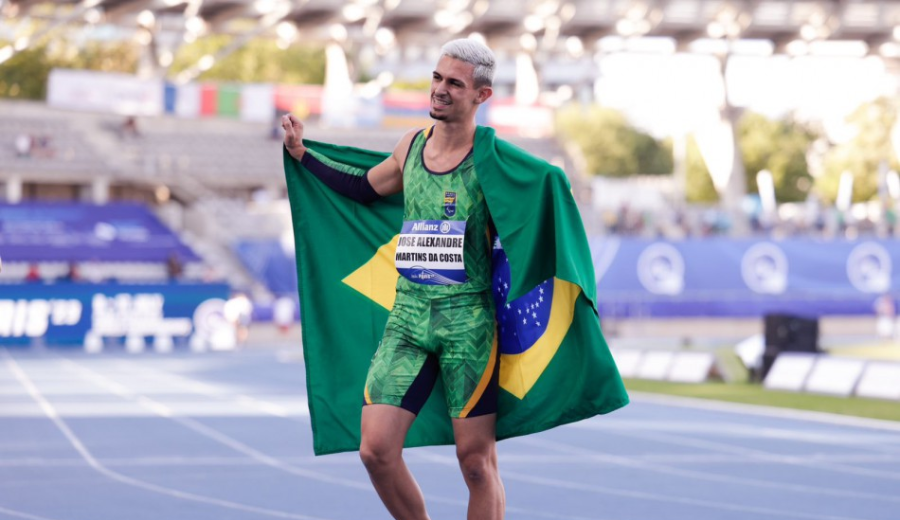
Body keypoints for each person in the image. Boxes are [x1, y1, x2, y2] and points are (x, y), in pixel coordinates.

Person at [283, 38, 504, 520]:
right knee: (376, 450)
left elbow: (535, 204)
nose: (441, 90)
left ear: (480, 97)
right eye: (438, 78)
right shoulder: (411, 146)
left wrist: (557, 193)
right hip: (408, 320)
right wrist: (303, 155)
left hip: (468, 326)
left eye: (455, 84)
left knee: (476, 465)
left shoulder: (492, 160)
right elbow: (363, 189)